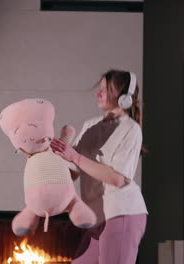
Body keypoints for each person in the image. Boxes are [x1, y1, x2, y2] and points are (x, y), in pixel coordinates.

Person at [50, 69, 148, 264]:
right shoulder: (90, 125)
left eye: (106, 89)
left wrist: (76, 157)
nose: (98, 93)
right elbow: (73, 173)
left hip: (122, 212)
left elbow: (117, 178)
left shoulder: (131, 129)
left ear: (124, 98)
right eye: (100, 88)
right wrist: (45, 161)